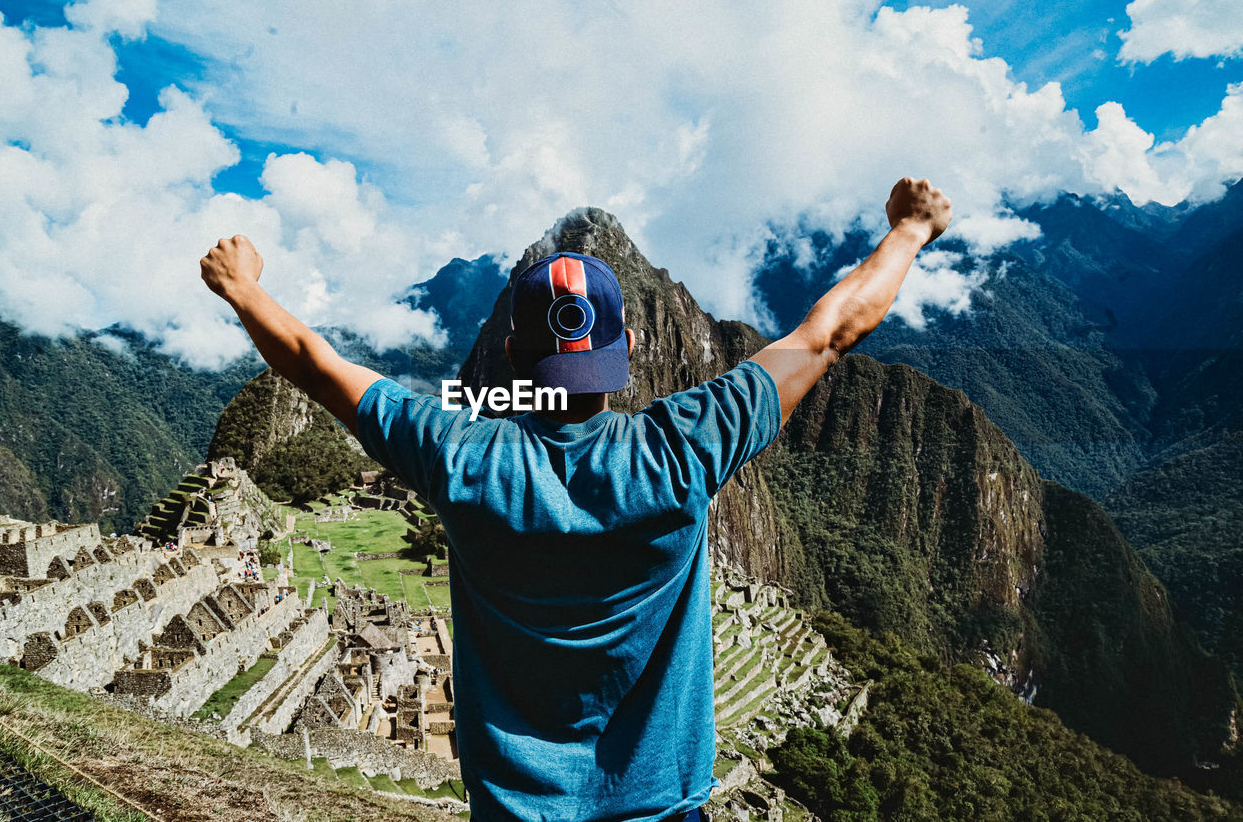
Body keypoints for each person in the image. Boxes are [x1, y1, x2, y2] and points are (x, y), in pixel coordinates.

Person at [201, 177, 951, 821]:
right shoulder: (683, 448)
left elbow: (313, 361)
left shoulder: (461, 459)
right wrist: (910, 231)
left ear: (513, 352)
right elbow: (827, 334)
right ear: (624, 345)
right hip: (659, 805)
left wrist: (243, 287)